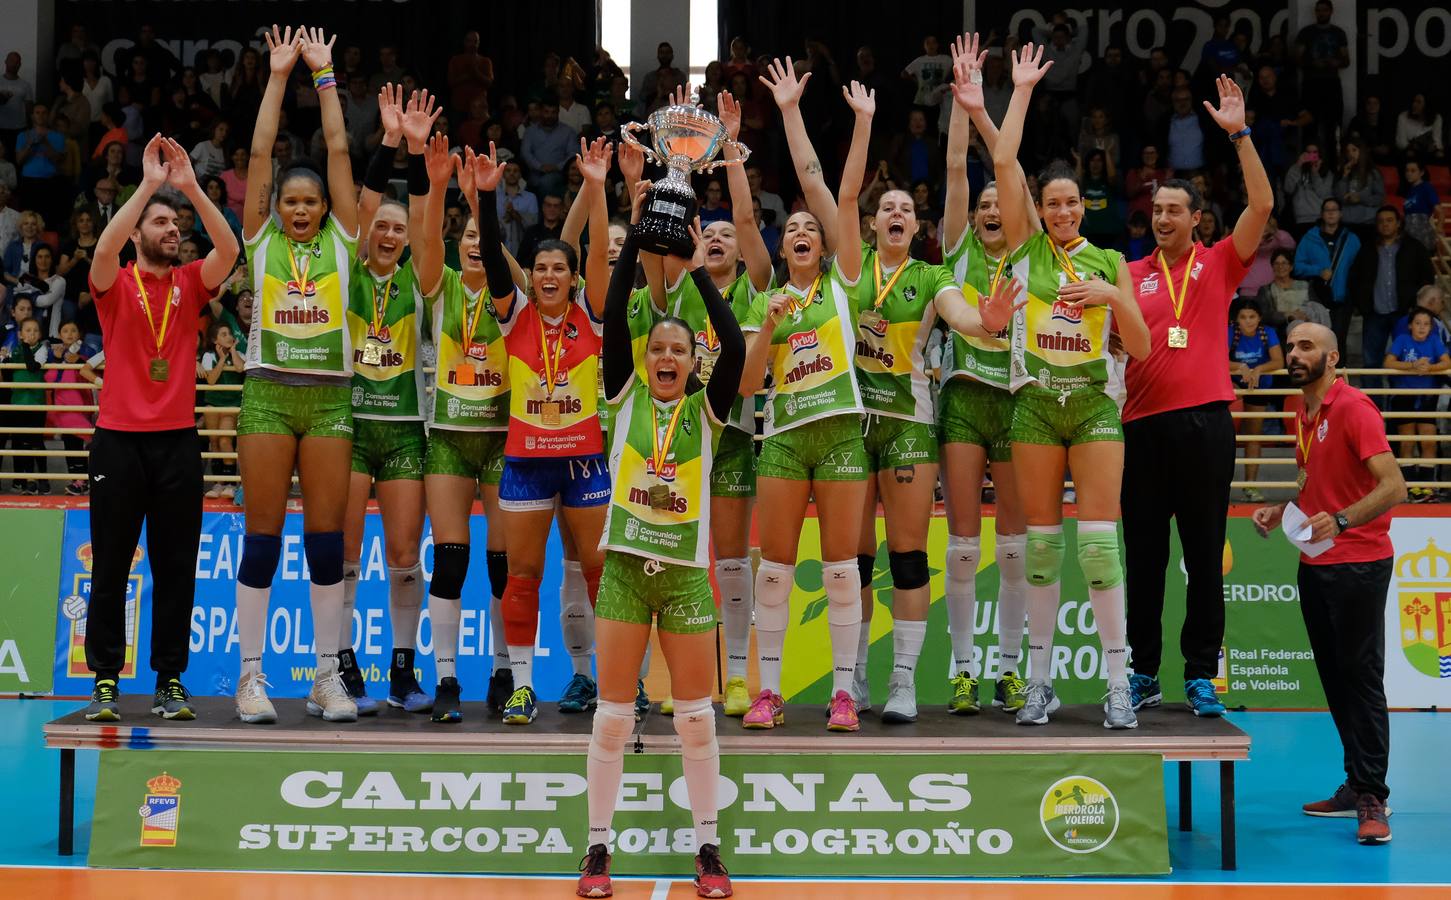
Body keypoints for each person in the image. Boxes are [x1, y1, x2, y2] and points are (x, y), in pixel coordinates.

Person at [576, 212, 741, 900]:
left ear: (693, 363)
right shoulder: (623, 395)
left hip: (683, 580)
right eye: (658, 350)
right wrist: (635, 247)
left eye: (679, 350)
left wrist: (698, 271)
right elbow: (615, 314)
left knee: (696, 719)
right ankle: (596, 851)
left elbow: (735, 344)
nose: (667, 357)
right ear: (645, 360)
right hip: (623, 572)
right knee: (613, 718)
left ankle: (708, 848)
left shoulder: (707, 410)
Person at [992, 44, 1151, 729]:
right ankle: (1038, 684)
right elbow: (1004, 162)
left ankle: (1117, 684)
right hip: (1033, 404)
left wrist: (1112, 298)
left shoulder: (1111, 261)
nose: (1061, 212)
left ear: (1084, 207)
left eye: (1070, 203)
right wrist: (1021, 91)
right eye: (1051, 203)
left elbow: (1140, 348)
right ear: (1040, 209)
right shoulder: (1025, 248)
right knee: (1040, 547)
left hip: (1091, 406)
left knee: (1097, 545)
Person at [1120, 75, 1274, 715]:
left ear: (1196, 219)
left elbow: (1262, 204)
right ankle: (1142, 672)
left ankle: (1201, 675)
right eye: (1156, 210)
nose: (1162, 218)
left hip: (1206, 425)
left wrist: (1240, 136)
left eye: (1173, 211)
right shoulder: (1128, 274)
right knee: (1144, 561)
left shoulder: (1220, 262)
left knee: (1204, 558)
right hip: (1141, 429)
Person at [81, 133, 239, 721]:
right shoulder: (114, 283)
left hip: (176, 443)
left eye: (176, 223)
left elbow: (230, 249)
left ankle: (170, 680)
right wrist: (148, 185)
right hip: (118, 443)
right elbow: (104, 247)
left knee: (175, 568)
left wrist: (190, 187)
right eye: (162, 223)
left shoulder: (191, 281)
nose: (174, 230)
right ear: (138, 233)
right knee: (111, 566)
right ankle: (104, 680)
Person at [232, 26, 361, 726]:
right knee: (261, 538)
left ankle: (324, 677)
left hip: (331, 400)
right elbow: (259, 154)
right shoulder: (259, 239)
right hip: (268, 394)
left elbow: (338, 149)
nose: (303, 209)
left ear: (327, 208)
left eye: (312, 201)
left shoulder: (344, 237)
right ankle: (250, 678)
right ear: (276, 209)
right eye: (292, 202)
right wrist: (278, 76)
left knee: (326, 542)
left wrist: (325, 76)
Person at [1253, 321, 1405, 846]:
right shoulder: (1302, 411)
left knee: (1361, 678)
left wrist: (1341, 521)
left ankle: (1373, 797)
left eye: (1307, 346)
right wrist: (1283, 509)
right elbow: (1313, 480)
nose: (1295, 353)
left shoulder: (1355, 408)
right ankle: (1356, 782)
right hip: (1315, 562)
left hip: (1359, 561)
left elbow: (1394, 487)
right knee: (1336, 679)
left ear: (1333, 357)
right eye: (1290, 346)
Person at [477, 137, 609, 728]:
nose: (550, 275)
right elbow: (489, 251)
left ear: (574, 280)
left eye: (560, 268)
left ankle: (615, 683)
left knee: (600, 574)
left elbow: (600, 252)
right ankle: (524, 688)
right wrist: (485, 197)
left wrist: (597, 188)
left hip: (584, 461)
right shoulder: (513, 316)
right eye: (541, 268)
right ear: (529, 278)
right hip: (526, 462)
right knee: (523, 574)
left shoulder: (592, 315)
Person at [651, 91, 772, 719]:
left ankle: (737, 677)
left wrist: (730, 151)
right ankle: (681, 679)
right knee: (679, 560)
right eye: (710, 233)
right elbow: (657, 242)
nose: (720, 238)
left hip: (732, 440)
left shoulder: (755, 290)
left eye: (728, 235)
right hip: (674, 443)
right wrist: (675, 163)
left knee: (730, 562)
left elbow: (748, 221)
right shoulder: (679, 288)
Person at [937, 39, 1035, 714]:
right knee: (965, 545)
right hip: (966, 402)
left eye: (1000, 203)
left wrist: (987, 111)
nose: (992, 210)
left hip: (1019, 401)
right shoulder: (958, 248)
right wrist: (960, 98)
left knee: (1015, 548)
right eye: (983, 207)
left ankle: (1009, 669)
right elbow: (955, 168)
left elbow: (1011, 169)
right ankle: (963, 672)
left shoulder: (1027, 247)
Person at [335, 87, 436, 717]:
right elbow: (365, 201)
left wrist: (418, 154)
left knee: (403, 556)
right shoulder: (346, 269)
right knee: (345, 555)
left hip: (402, 429)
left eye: (399, 229)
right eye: (382, 227)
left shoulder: (420, 281)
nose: (391, 233)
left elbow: (424, 218)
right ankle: (341, 665)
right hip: (347, 425)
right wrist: (390, 143)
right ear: (367, 234)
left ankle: (402, 670)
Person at [1349, 206, 1434, 374]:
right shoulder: (1367, 248)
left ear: (1398, 223)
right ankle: (1371, 393)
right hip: (1374, 313)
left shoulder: (1414, 247)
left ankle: (1400, 392)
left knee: (1406, 359)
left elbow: (1427, 278)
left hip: (1405, 314)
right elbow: (1355, 278)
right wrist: (1362, 305)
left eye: (1389, 220)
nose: (1385, 224)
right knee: (1371, 362)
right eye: (1381, 221)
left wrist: (1415, 307)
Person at [1383, 308, 1450, 500]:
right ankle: (1410, 488)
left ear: (1431, 327)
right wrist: (1412, 365)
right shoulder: (1402, 340)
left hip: (1428, 396)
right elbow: (1388, 362)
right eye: (1418, 323)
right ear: (1410, 325)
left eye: (1426, 324)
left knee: (1429, 442)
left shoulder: (1434, 341)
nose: (1422, 327)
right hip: (1404, 395)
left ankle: (1427, 488)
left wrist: (1430, 368)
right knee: (1407, 442)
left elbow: (1447, 362)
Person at [1228, 299, 1283, 502]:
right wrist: (1240, 367)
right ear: (1236, 319)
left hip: (1259, 385)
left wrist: (1259, 369)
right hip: (1233, 384)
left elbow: (1278, 361)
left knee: (1254, 434)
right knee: (1221, 434)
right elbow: (1218, 359)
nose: (1248, 321)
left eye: (1252, 316)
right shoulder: (1230, 332)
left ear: (1259, 318)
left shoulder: (1267, 332)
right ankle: (1217, 486)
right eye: (1243, 317)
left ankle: (1250, 486)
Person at [1293, 197, 1360, 354]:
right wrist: (1318, 271)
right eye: (1327, 210)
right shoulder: (1309, 237)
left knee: (1338, 341)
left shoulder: (1351, 239)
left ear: (1340, 214)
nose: (1330, 213)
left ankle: (1338, 371)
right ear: (1322, 214)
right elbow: (1297, 267)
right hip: (1318, 298)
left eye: (1334, 210)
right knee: (1317, 341)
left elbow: (1360, 269)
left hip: (1343, 299)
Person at [1294, 0, 1350, 151]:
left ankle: (1332, 161)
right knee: (1309, 126)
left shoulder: (1339, 33)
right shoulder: (1306, 32)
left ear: (1331, 11)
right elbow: (1296, 59)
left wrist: (1335, 62)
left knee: (1333, 125)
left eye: (1324, 10)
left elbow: (1346, 61)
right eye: (1318, 10)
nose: (1321, 13)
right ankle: (1309, 160)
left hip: (1331, 83)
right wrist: (1313, 63)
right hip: (1311, 83)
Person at [1258, 248, 1328, 338]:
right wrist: (1288, 315)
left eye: (1284, 263)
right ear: (1272, 267)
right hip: (1280, 333)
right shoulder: (1265, 290)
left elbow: (1317, 308)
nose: (1280, 267)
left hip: (1308, 328)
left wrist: (1305, 315)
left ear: (1291, 267)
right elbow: (1264, 315)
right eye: (1276, 263)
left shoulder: (1304, 285)